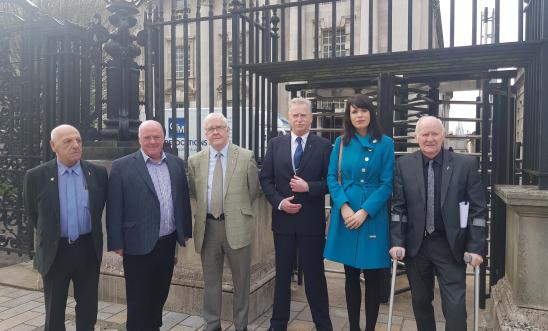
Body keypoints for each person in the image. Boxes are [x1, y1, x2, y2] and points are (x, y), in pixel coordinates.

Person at [390, 116, 486, 331]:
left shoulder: (465, 164)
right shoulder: (404, 165)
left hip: (450, 246)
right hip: (418, 247)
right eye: (425, 134)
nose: (430, 139)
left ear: (444, 135)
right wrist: (397, 240)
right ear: (417, 137)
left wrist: (476, 248)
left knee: (455, 307)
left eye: (435, 133)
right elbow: (398, 208)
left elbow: (478, 210)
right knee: (421, 302)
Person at [107, 120, 192, 331]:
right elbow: (114, 207)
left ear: (164, 138)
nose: (152, 141)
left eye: (157, 137)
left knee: (159, 296)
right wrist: (116, 242)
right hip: (137, 245)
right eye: (147, 137)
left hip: (167, 243)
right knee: (138, 301)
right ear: (139, 139)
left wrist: (185, 232)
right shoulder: (122, 166)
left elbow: (182, 200)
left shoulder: (176, 164)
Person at [23, 124, 108, 331]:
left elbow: (100, 209)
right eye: (67, 141)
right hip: (56, 251)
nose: (75, 145)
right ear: (53, 145)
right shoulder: (36, 176)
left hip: (88, 250)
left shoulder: (97, 173)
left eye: (78, 140)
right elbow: (34, 215)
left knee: (88, 310)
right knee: (54, 311)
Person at [259, 97, 333, 331]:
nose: (299, 119)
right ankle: (277, 324)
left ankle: (323, 325)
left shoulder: (323, 146)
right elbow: (266, 179)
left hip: (311, 223)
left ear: (310, 118)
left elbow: (331, 183)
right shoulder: (275, 144)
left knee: (315, 277)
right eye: (295, 115)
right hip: (283, 222)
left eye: (304, 115)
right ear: (289, 117)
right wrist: (280, 203)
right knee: (282, 276)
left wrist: (309, 187)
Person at [324, 95, 394, 331]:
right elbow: (332, 177)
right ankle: (354, 327)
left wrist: (364, 212)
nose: (359, 115)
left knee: (373, 277)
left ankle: (370, 328)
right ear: (349, 116)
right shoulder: (341, 143)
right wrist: (343, 207)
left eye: (363, 110)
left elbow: (387, 184)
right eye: (354, 112)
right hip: (346, 212)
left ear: (371, 113)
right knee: (350, 275)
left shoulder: (386, 143)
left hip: (372, 215)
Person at [187, 113, 261, 331]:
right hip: (208, 228)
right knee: (210, 283)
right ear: (205, 134)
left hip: (237, 227)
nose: (216, 132)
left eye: (220, 127)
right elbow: (195, 192)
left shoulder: (246, 156)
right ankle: (212, 324)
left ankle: (241, 325)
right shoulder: (195, 160)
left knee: (241, 281)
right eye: (211, 129)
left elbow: (253, 191)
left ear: (228, 130)